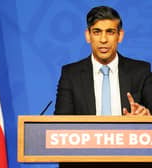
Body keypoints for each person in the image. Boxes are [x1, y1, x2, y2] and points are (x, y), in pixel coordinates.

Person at [54, 6, 152, 168]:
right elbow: (61, 125)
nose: (103, 40)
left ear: (120, 36)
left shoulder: (140, 71)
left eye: (110, 32)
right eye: (97, 32)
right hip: (84, 162)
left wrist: (146, 119)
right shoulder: (70, 74)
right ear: (88, 35)